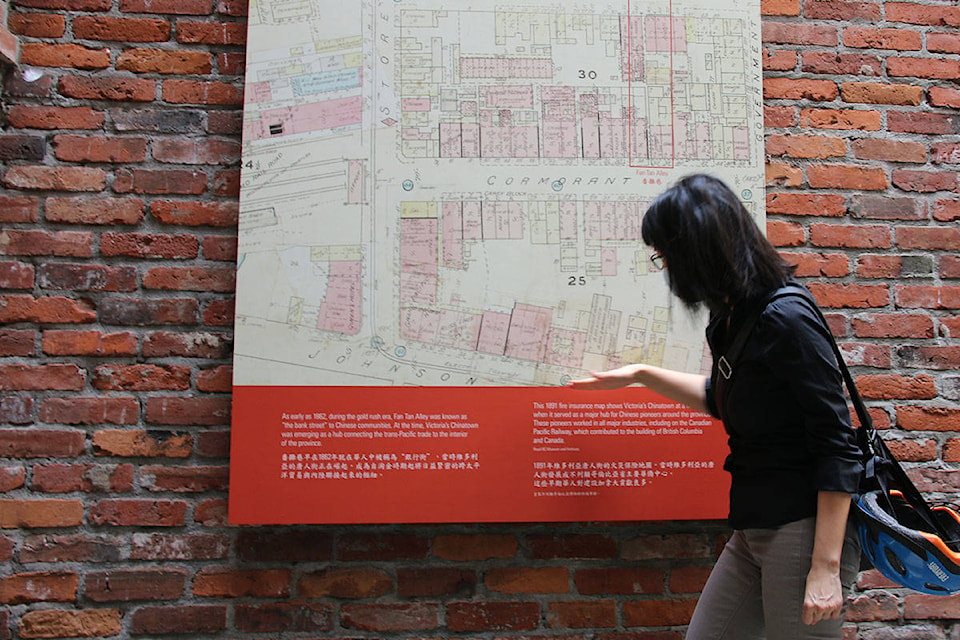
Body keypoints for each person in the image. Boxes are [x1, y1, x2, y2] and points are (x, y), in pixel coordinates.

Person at [569, 174, 863, 640]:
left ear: (698, 251)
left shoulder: (785, 317)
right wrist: (641, 375)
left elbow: (838, 444)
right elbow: (728, 400)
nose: (664, 268)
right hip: (753, 527)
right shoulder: (734, 315)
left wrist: (825, 568)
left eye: (665, 255)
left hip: (801, 528)